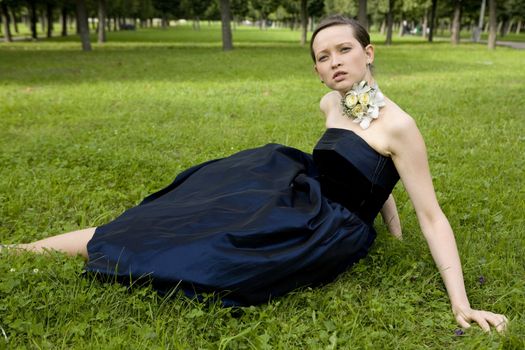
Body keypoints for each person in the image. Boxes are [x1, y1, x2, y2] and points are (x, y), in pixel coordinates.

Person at [1, 15, 507, 332]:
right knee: (193, 205)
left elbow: (433, 216)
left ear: (368, 52)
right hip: (297, 185)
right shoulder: (330, 100)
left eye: (344, 50)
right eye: (322, 57)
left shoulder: (401, 127)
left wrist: (461, 304)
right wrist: (389, 220)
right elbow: (367, 168)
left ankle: (103, 248)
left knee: (215, 250)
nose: (333, 63)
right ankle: (23, 250)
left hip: (327, 227)